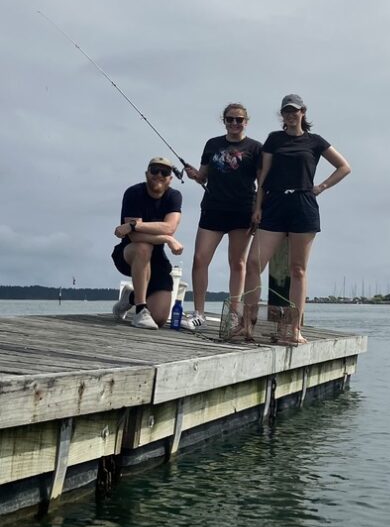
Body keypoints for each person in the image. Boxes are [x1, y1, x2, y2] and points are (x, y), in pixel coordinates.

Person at [239, 93, 351, 344]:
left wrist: (320, 187)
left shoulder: (315, 141)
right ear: (282, 115)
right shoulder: (274, 139)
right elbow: (263, 176)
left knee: (297, 270)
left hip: (303, 205)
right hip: (274, 204)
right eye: (286, 111)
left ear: (303, 112)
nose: (290, 115)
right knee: (254, 263)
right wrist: (258, 207)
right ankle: (247, 324)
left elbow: (344, 166)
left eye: (295, 110)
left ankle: (294, 329)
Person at [184, 102, 262, 330]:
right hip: (213, 208)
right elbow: (203, 176)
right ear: (224, 121)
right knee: (200, 259)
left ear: (246, 122)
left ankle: (234, 314)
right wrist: (194, 175)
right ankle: (199, 312)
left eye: (239, 119)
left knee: (237, 263)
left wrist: (258, 210)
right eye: (230, 119)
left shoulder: (256, 148)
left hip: (242, 210)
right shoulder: (212, 144)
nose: (235, 123)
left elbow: (261, 182)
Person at [111, 156, 185, 330]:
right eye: (154, 170)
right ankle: (140, 310)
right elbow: (135, 237)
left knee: (159, 318)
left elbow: (169, 227)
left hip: (157, 259)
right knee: (143, 247)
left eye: (164, 172)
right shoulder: (134, 193)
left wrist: (134, 225)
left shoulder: (174, 196)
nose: (159, 175)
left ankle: (130, 297)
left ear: (170, 178)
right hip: (129, 252)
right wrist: (167, 239)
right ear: (146, 173)